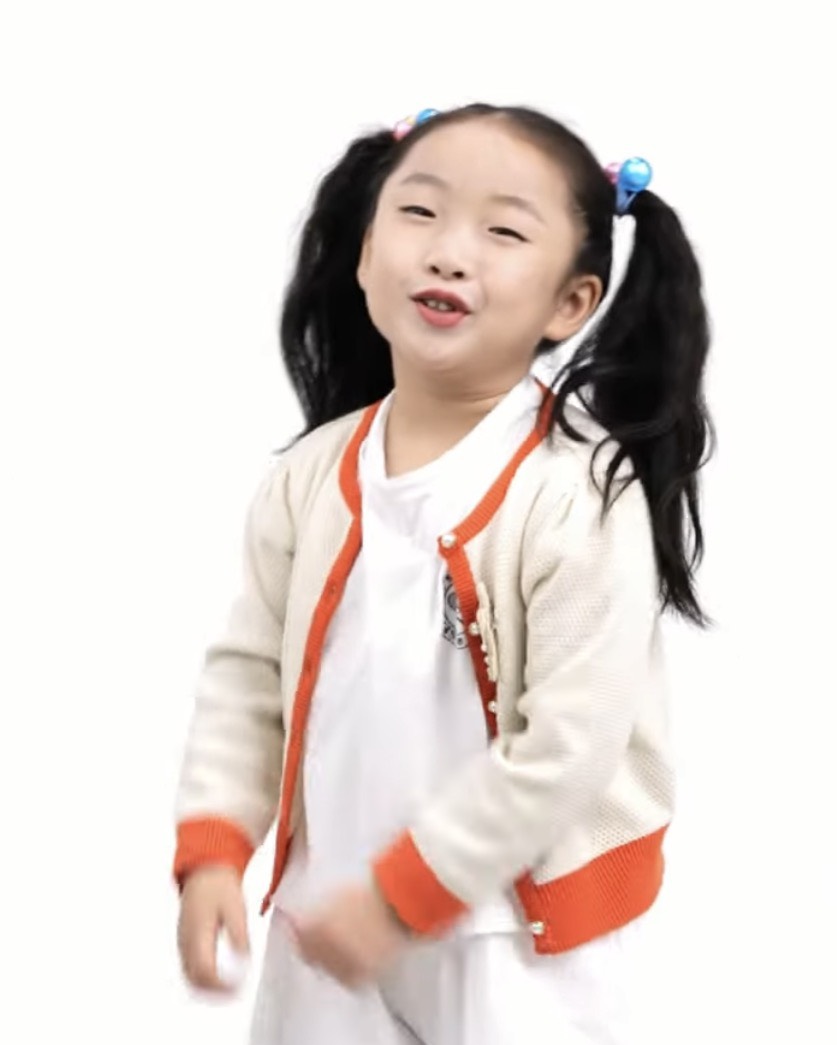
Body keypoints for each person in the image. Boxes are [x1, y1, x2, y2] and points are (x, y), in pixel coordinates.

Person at [173, 102, 713, 1044]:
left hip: (511, 937)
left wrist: (403, 897)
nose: (449, 252)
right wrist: (216, 843)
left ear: (570, 303)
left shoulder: (576, 495)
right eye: (419, 212)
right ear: (364, 252)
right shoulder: (310, 476)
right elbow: (248, 673)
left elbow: (570, 745)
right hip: (327, 918)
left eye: (503, 231)